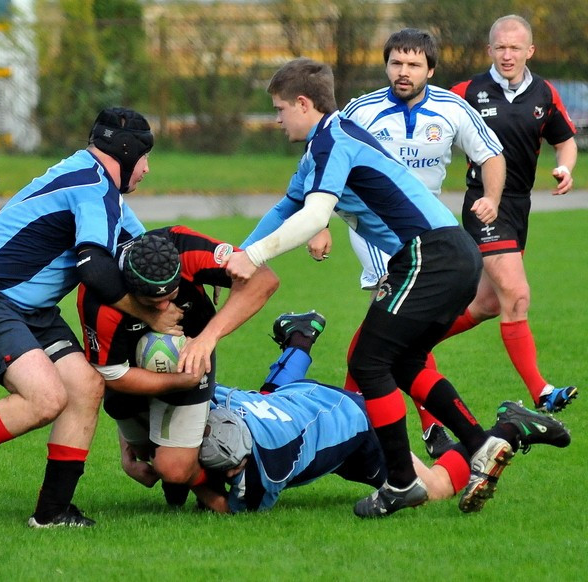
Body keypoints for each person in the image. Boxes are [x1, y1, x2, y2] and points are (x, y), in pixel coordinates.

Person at [224, 57, 515, 517]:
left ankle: (401, 482)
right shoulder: (324, 142)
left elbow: (316, 217)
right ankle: (482, 444)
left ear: (303, 103)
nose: (277, 119)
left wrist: (255, 257)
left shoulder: (333, 140)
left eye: (280, 108)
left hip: (429, 254)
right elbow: (286, 208)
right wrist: (235, 254)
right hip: (447, 253)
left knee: (368, 360)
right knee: (404, 363)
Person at [0, 107, 183, 530]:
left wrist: (215, 266)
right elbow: (95, 269)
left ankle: (52, 511)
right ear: (126, 152)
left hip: (27, 307)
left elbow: (149, 250)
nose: (147, 169)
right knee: (45, 398)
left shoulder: (101, 188)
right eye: (144, 157)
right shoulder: (93, 187)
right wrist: (152, 316)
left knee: (85, 386)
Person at [329, 28, 507, 458]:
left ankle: (357, 422)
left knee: (392, 339)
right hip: (373, 232)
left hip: (431, 234)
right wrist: (317, 224)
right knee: (398, 336)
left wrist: (492, 198)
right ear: (386, 65)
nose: (402, 72)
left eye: (412, 65)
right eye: (396, 63)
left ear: (430, 69)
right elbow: (324, 158)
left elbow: (492, 155)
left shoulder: (451, 108)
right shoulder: (361, 110)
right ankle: (430, 429)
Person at [195, 312, 570, 514]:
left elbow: (232, 507)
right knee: (272, 397)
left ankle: (509, 427)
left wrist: (198, 483)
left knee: (431, 489)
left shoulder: (265, 472)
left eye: (227, 470)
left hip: (355, 428)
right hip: (308, 398)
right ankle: (301, 337)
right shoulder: (218, 400)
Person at [78, 226, 278, 504]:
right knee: (145, 456)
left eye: (170, 297)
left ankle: (213, 494)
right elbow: (112, 374)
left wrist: (206, 339)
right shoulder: (99, 298)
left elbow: (264, 279)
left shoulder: (186, 249)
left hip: (192, 360)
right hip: (128, 373)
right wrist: (176, 382)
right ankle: (171, 479)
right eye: (152, 302)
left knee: (172, 468)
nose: (163, 308)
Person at [445, 14, 578, 413]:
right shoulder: (466, 91)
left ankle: (411, 340)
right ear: (490, 50)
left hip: (520, 207)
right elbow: (429, 131)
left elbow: (566, 141)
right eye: (500, 47)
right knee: (517, 296)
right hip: (484, 204)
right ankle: (541, 391)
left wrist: (566, 167)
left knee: (487, 303)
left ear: (529, 51)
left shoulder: (544, 93)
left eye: (515, 48)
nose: (507, 55)